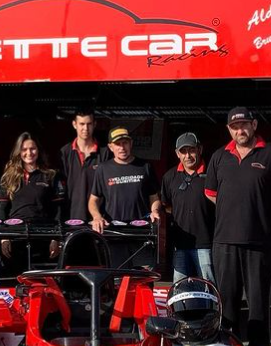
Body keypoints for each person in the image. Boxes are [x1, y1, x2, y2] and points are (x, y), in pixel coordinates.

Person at [204, 107, 271, 346]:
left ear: (254, 124)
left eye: (245, 125)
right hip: (224, 239)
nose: (241, 130)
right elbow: (211, 193)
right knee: (227, 298)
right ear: (229, 130)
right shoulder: (219, 157)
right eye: (235, 127)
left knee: (259, 299)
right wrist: (233, 210)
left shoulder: (270, 153)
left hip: (259, 240)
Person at [89, 126, 160, 267]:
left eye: (125, 142)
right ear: (110, 147)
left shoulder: (145, 166)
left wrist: (155, 211)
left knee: (143, 281)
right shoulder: (103, 169)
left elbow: (155, 197)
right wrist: (97, 217)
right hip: (114, 236)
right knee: (117, 282)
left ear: (131, 143)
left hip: (142, 236)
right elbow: (93, 200)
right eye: (118, 144)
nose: (122, 147)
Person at [0, 132, 65, 269]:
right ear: (19, 152)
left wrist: (55, 238)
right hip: (16, 237)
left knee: (41, 284)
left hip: (42, 237)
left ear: (38, 150)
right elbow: (2, 209)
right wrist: (3, 237)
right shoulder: (9, 177)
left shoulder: (50, 175)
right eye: (24, 149)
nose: (29, 152)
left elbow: (58, 211)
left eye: (32, 148)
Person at [157, 132, 215, 284]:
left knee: (209, 285)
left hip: (206, 244)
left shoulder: (212, 174)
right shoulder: (169, 177)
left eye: (191, 150)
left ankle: (213, 309)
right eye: (183, 151)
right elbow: (166, 206)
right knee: (180, 286)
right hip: (180, 245)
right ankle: (184, 309)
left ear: (200, 149)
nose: (188, 155)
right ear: (177, 154)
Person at [59, 106, 111, 221]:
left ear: (95, 124)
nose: (85, 128)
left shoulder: (105, 152)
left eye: (89, 124)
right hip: (71, 217)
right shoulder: (65, 152)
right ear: (74, 124)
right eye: (82, 124)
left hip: (98, 219)